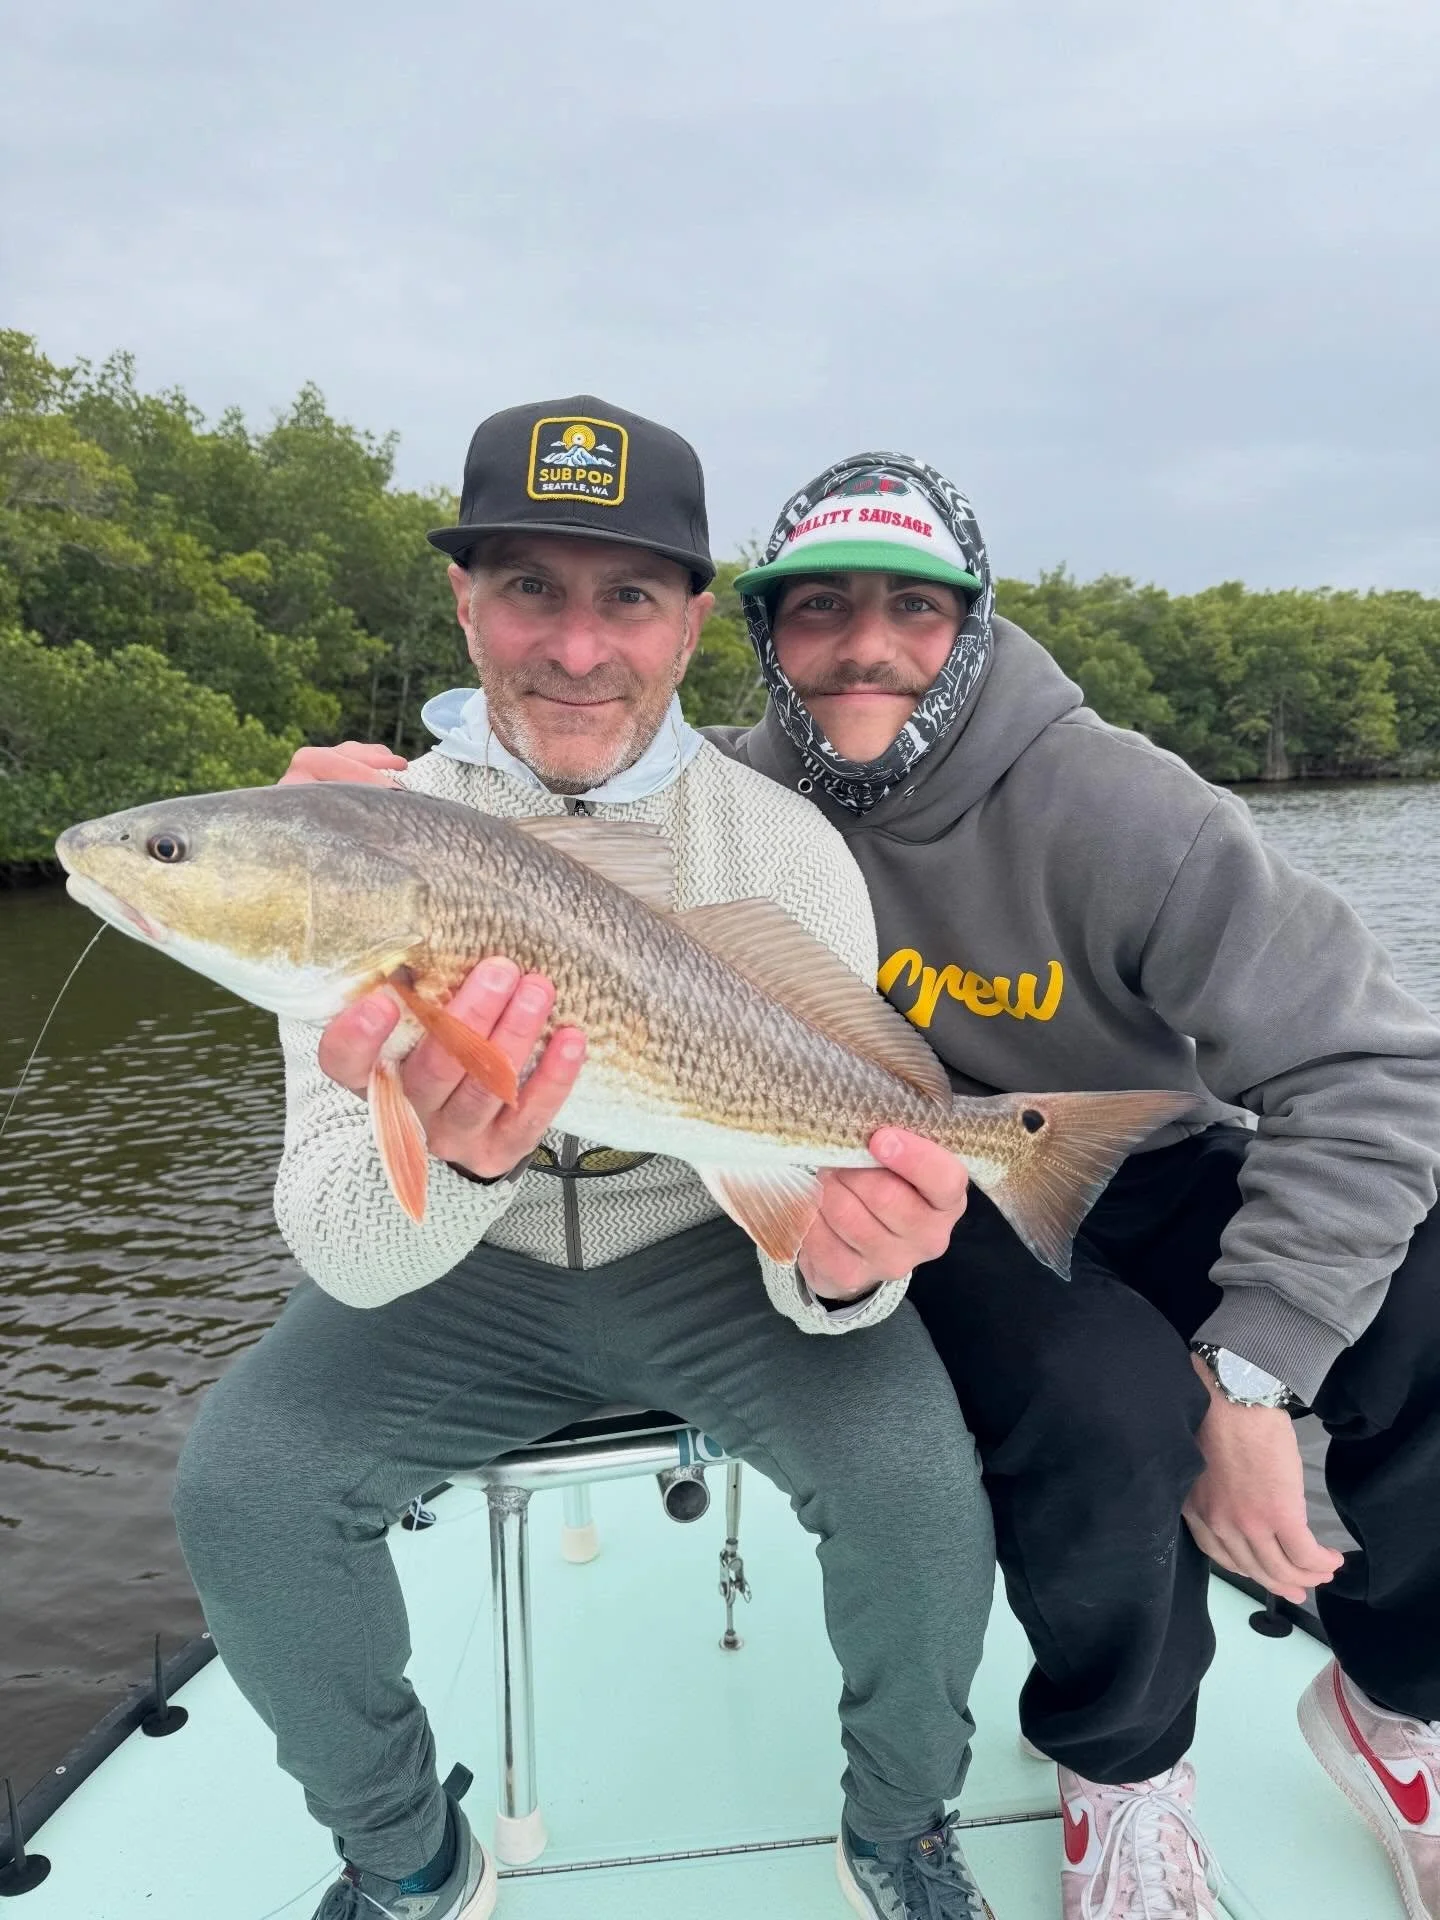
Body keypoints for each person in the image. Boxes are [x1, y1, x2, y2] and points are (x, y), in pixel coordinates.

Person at [302, 446, 1440, 1920]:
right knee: (1103, 1413)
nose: (865, 647)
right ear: (761, 635)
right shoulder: (735, 796)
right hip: (912, 1179)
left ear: (975, 624)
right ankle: (1126, 1770)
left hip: (1151, 1150)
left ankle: (1398, 1699)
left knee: (1421, 1306)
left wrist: (1255, 1376)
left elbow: (1380, 1068)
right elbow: (540, 762)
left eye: (915, 608)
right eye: (819, 607)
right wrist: (349, 809)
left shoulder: (1129, 811)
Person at [175, 399, 1002, 1920]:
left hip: (711, 1248)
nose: (575, 647)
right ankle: (406, 1852)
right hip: (459, 1273)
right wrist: (461, 1159)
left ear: (692, 624)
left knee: (920, 1497)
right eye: (530, 590)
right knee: (246, 1489)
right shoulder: (345, 835)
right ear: (464, 604)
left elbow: (827, 1197)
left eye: (626, 595)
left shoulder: (782, 849)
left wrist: (840, 1271)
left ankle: (901, 1825)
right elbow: (346, 1252)